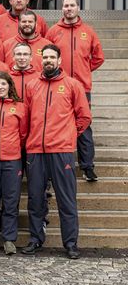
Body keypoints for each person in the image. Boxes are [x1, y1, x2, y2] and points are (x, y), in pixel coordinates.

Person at [21, 44, 92, 259]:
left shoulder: (72, 85)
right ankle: (35, 239)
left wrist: (69, 135)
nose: (48, 61)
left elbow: (84, 117)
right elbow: (26, 118)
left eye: (52, 57)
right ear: (40, 60)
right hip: (36, 150)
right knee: (35, 199)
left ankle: (70, 243)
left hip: (61, 151)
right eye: (46, 57)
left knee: (66, 199)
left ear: (60, 61)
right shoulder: (32, 86)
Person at [46, 0, 105, 182]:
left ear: (78, 8)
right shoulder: (53, 31)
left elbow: (98, 57)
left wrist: (85, 70)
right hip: (57, 86)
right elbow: (46, 56)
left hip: (81, 87)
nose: (69, 8)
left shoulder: (89, 31)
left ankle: (87, 167)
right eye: (65, 6)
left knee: (84, 126)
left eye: (72, 5)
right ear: (62, 9)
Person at [0, 71, 27, 255]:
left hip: (12, 160)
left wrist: (14, 148)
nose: (0, 87)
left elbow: (23, 134)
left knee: (11, 201)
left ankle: (9, 239)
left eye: (3, 84)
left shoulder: (19, 107)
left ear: (10, 86)